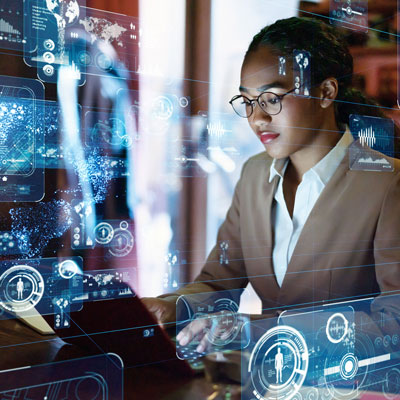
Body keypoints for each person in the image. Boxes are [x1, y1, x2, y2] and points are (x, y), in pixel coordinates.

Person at [142, 17, 400, 351]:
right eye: (248, 102)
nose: (257, 117)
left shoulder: (387, 184)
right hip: (265, 382)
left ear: (325, 92)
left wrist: (258, 330)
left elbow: (393, 322)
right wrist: (171, 306)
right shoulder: (255, 175)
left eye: (272, 99)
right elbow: (220, 280)